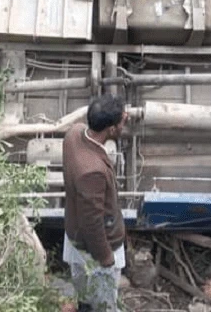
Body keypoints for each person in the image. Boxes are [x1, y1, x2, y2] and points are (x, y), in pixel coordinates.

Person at [63, 95, 128, 312]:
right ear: (110, 129)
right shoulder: (92, 171)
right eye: (121, 121)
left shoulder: (74, 133)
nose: (124, 121)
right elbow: (92, 221)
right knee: (103, 302)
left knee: (83, 290)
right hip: (96, 247)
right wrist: (106, 257)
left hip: (74, 234)